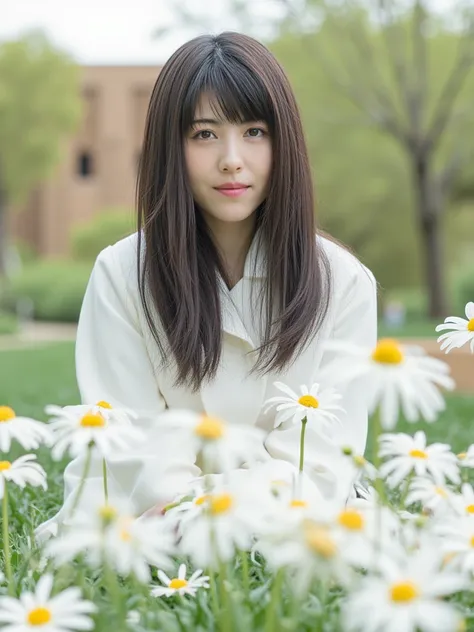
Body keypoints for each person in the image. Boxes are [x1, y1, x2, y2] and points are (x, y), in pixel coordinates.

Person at [37, 31, 377, 538]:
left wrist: (212, 507)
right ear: (170, 147)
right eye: (204, 134)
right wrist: (192, 511)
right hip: (151, 523)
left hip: (286, 523)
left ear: (285, 142)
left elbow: (323, 462)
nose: (232, 159)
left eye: (255, 131)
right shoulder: (122, 272)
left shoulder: (342, 282)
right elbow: (134, 446)